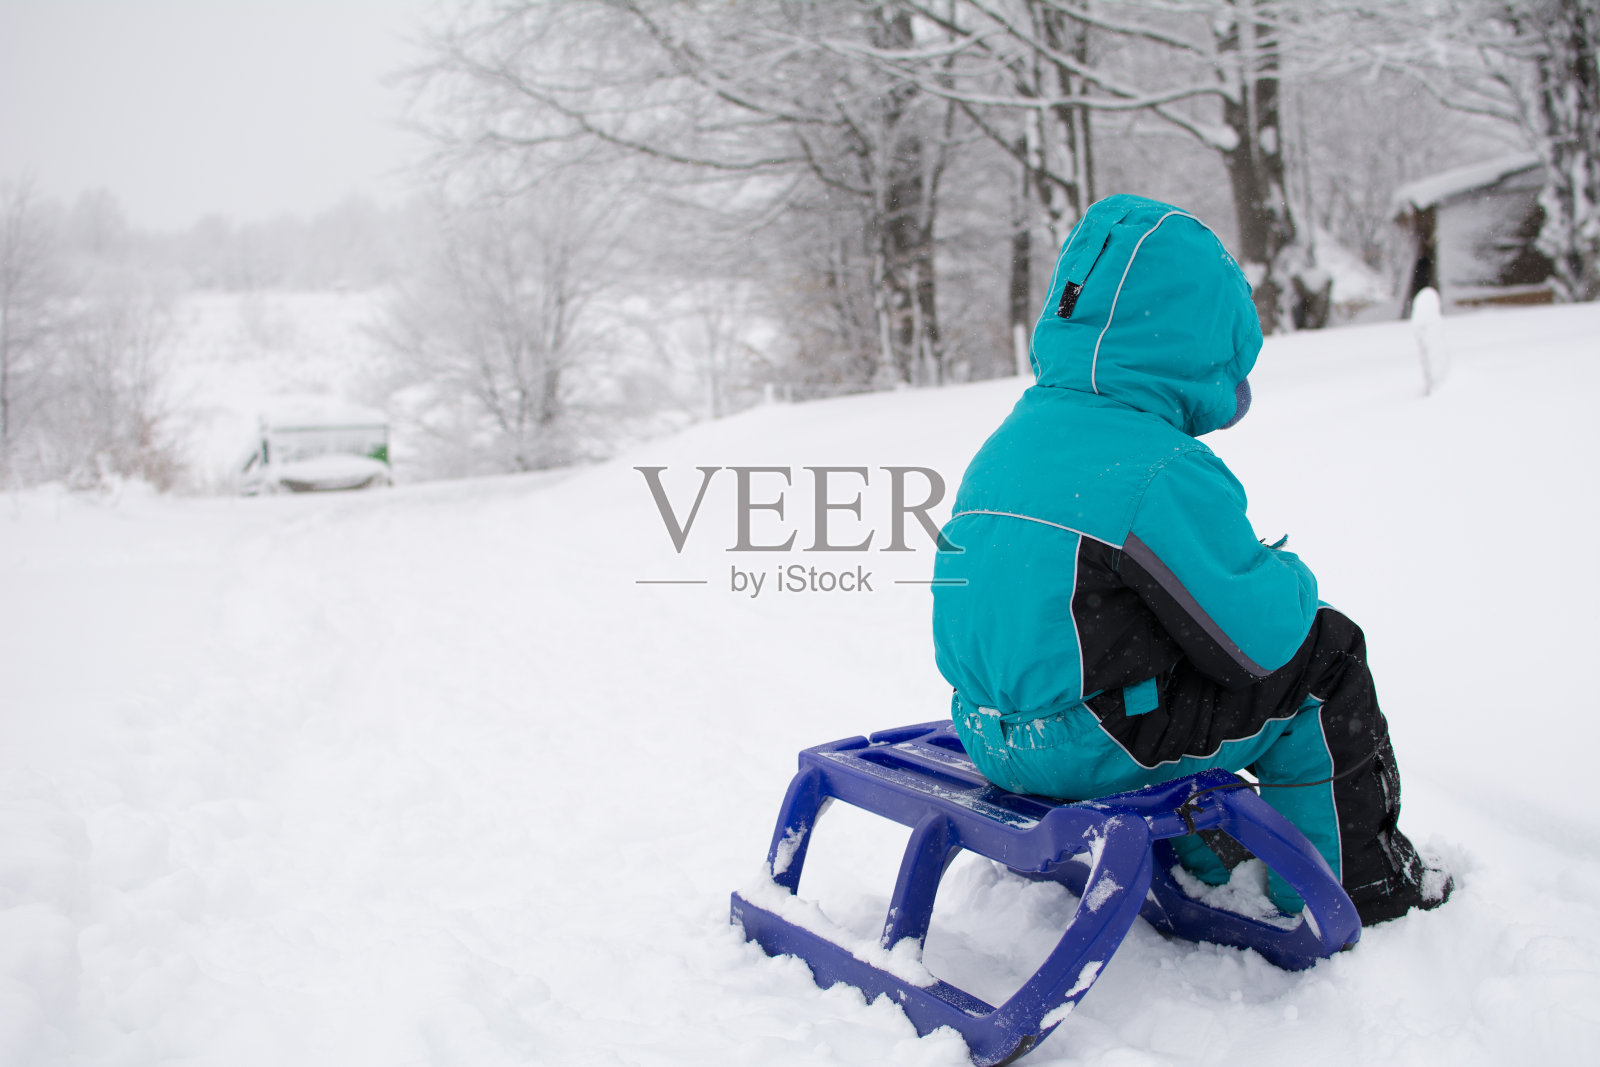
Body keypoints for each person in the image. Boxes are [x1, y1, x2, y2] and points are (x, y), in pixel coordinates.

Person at [930, 194, 1450, 925]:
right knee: (1325, 662)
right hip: (1089, 747)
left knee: (1161, 661)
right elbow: (1261, 643)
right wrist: (1287, 574)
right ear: (1198, 344)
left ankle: (1210, 854)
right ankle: (1356, 882)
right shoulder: (1155, 465)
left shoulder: (1009, 441)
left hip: (991, 733)